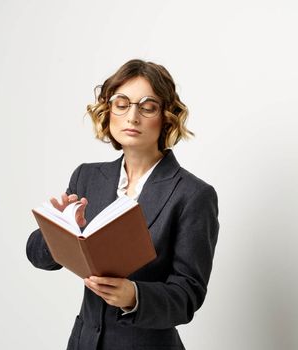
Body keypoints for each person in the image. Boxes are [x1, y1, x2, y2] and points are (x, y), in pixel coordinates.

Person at [26, 59, 220, 350]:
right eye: (122, 103)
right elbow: (38, 257)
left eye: (147, 106)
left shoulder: (193, 195)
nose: (132, 117)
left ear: (166, 117)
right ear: (108, 111)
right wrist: (59, 227)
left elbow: (188, 295)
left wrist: (135, 296)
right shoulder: (87, 176)